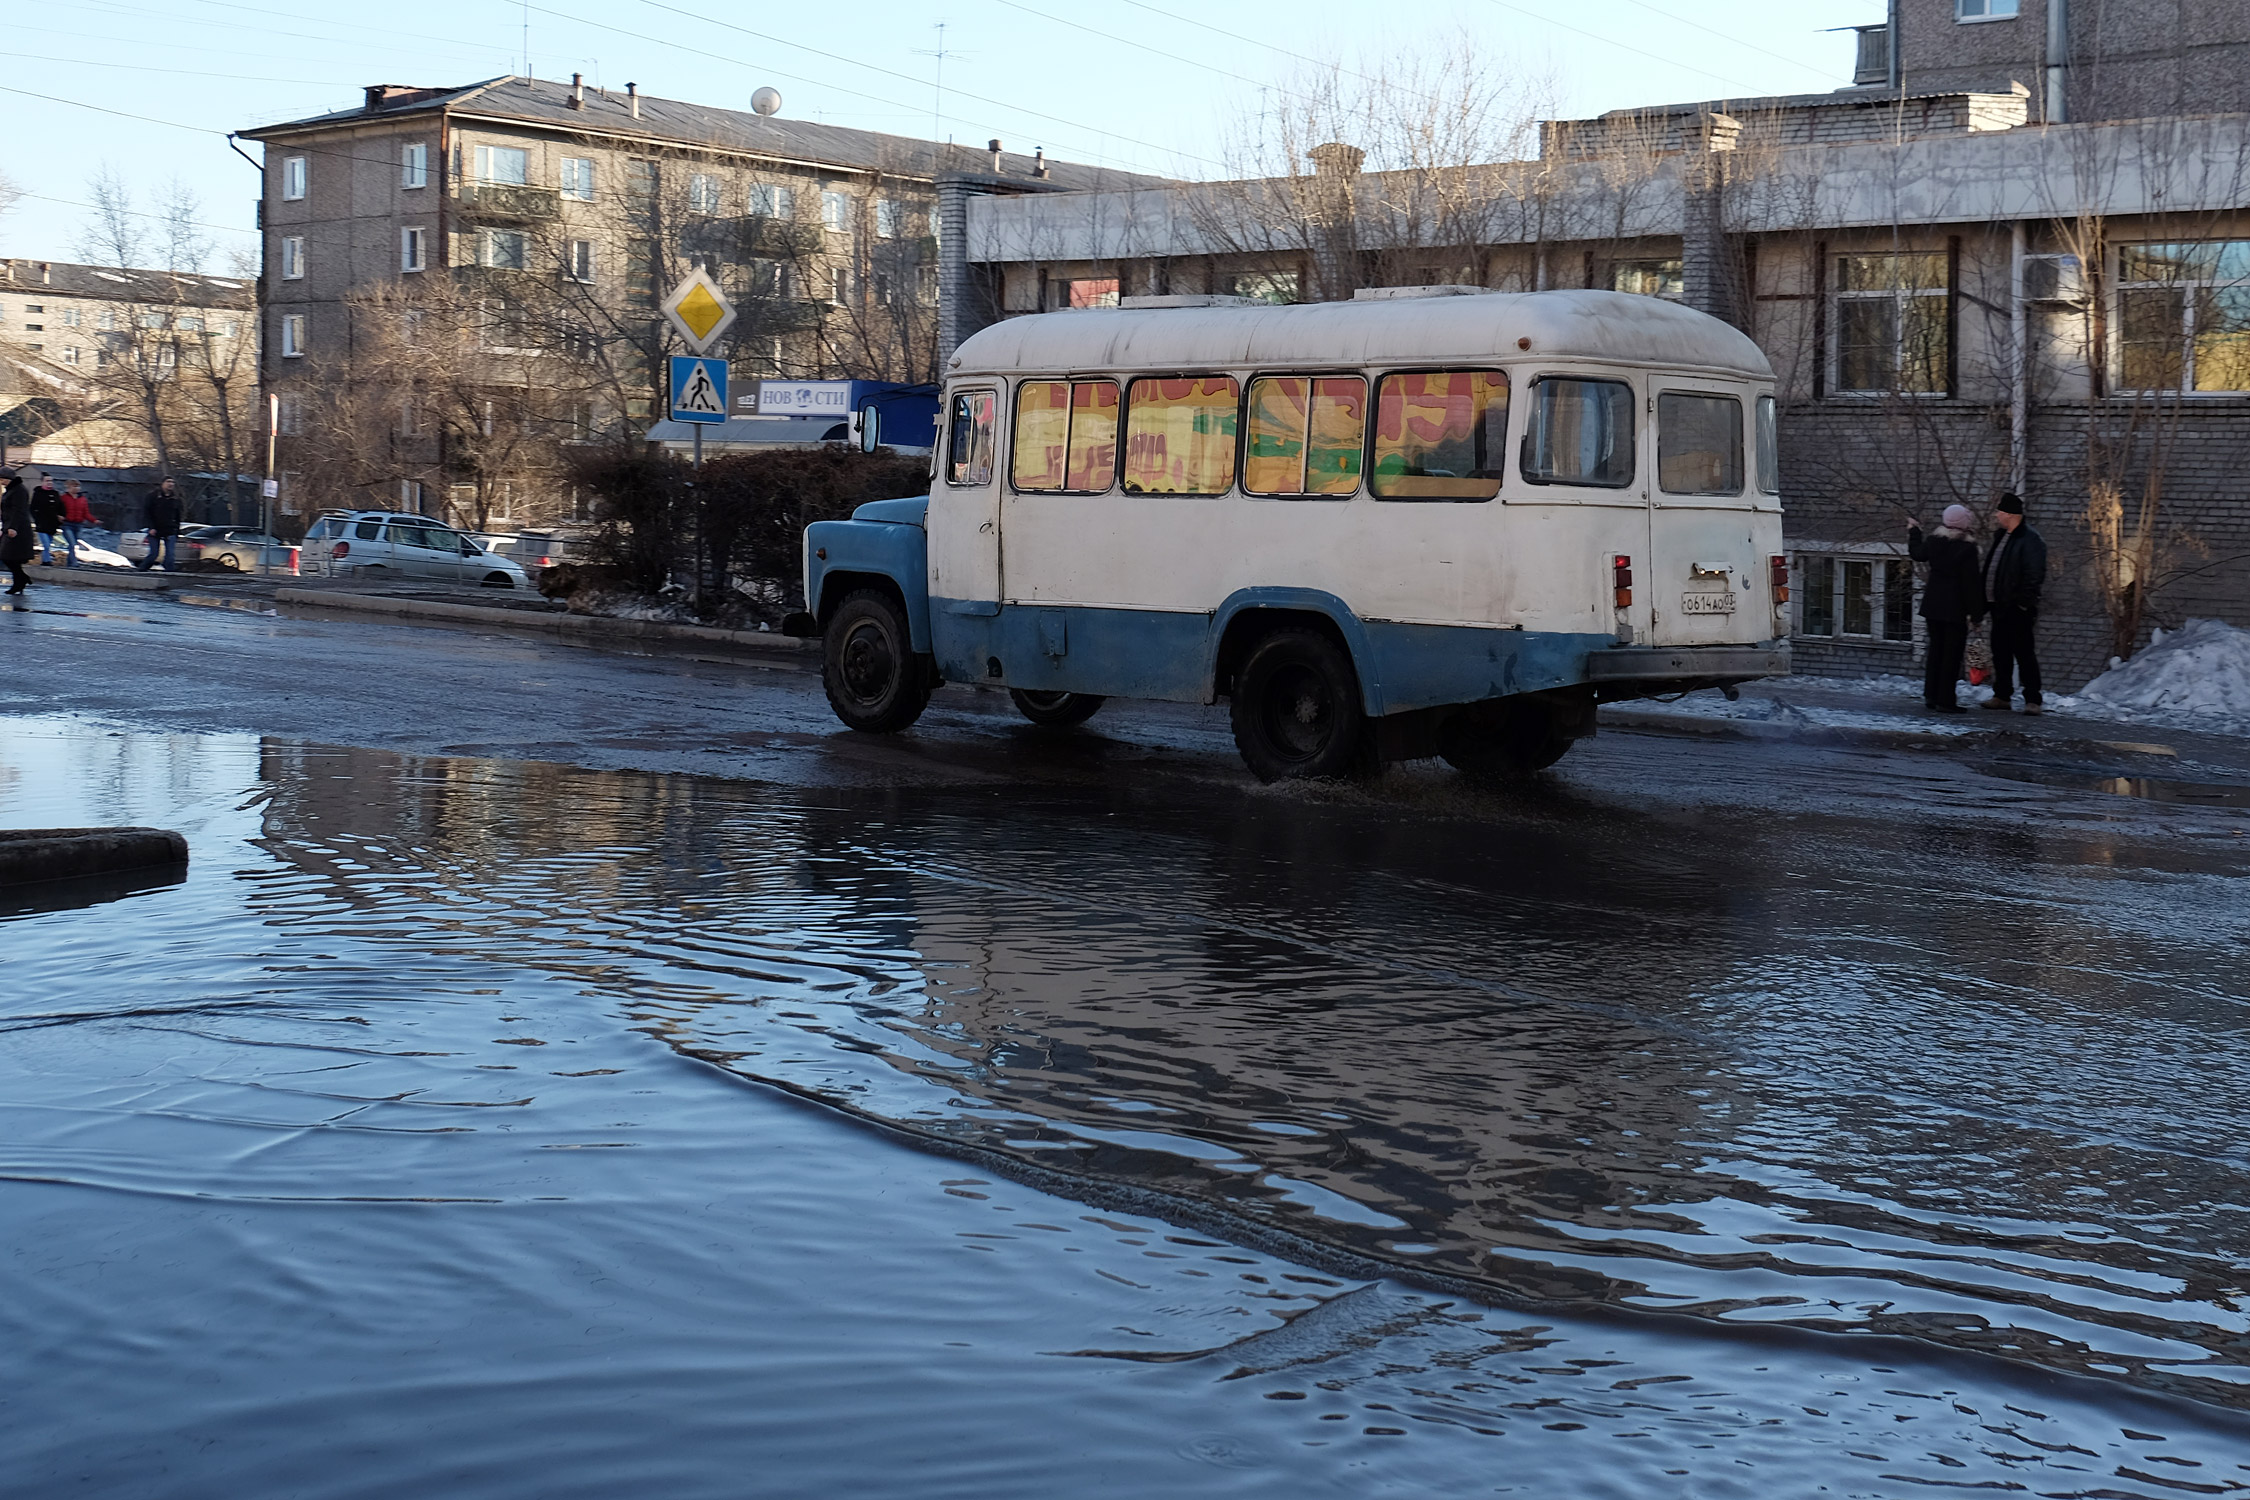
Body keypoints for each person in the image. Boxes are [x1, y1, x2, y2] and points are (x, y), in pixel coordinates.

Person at [1906, 502, 1987, 713]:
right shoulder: (1967, 549)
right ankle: (1946, 700)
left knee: (1936, 650)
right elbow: (1971, 584)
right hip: (1954, 608)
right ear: (1964, 523)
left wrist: (1914, 531)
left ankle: (1931, 696)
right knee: (1951, 655)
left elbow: (1917, 553)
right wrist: (1977, 615)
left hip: (1933, 606)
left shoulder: (1934, 541)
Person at [1980, 492, 2048, 715]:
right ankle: (2002, 695)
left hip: (2016, 608)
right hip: (1999, 607)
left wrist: (2022, 603)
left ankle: (2032, 699)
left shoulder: (2030, 539)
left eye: (2000, 511)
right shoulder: (2003, 536)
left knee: (2024, 653)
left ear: (2010, 514)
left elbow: (2034, 574)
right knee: (2000, 652)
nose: (1997, 515)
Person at [136, 476, 181, 572]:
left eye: (173, 482)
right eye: (168, 481)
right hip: (155, 528)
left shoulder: (175, 498)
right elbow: (146, 513)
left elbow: (178, 515)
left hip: (170, 529)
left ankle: (170, 573)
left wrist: (177, 529)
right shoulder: (153, 496)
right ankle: (142, 570)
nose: (171, 484)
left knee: (170, 555)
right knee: (154, 554)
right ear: (162, 483)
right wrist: (151, 527)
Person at [1, 472, 34, 596]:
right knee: (10, 557)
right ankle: (20, 580)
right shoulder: (12, 489)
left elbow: (18, 510)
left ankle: (20, 581)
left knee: (8, 556)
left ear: (8, 478)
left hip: (17, 529)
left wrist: (13, 527)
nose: (1, 481)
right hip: (9, 527)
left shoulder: (18, 491)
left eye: (2, 479)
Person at [28, 472, 63, 566]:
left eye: (51, 481)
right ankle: (47, 561)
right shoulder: (38, 493)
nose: (49, 483)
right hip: (41, 524)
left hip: (52, 525)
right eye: (47, 481)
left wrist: (60, 515)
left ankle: (44, 561)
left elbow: (60, 507)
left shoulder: (55, 494)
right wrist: (37, 519)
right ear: (42, 482)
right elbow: (32, 508)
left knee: (48, 545)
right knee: (46, 544)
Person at [59, 479, 94, 567]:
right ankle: (73, 563)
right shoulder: (63, 498)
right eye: (74, 486)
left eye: (78, 486)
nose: (77, 488)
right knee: (71, 543)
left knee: (73, 545)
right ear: (68, 487)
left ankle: (69, 563)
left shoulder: (82, 499)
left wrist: (94, 520)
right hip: (67, 524)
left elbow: (86, 513)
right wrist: (59, 516)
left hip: (78, 524)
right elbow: (57, 509)